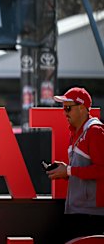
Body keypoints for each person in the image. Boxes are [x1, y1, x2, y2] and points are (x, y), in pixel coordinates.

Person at [48, 87, 104, 240]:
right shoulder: (76, 132)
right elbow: (82, 170)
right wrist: (65, 171)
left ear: (82, 108)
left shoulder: (95, 131)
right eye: (63, 108)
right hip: (79, 209)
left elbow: (101, 170)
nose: (64, 112)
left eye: (68, 108)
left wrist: (69, 171)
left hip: (92, 213)